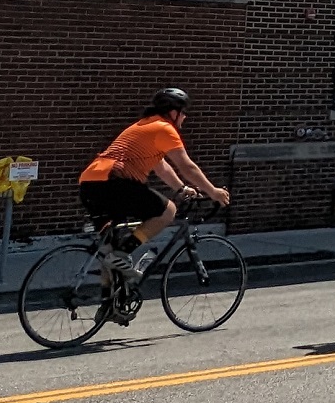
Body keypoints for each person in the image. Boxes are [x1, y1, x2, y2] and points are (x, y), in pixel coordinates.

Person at [79, 87, 231, 273]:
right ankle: (124, 252)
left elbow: (162, 167)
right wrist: (212, 191)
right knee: (168, 211)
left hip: (89, 183)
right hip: (114, 182)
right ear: (173, 112)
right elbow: (187, 166)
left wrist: (181, 188)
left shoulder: (144, 126)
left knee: (110, 253)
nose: (185, 117)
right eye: (183, 112)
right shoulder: (165, 128)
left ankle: (109, 298)